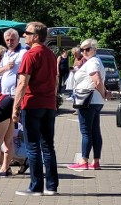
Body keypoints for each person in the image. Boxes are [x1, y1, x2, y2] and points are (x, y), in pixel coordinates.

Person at [12, 22, 60, 193]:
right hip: (49, 104)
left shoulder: (30, 54)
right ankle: (52, 186)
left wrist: (15, 108)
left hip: (32, 104)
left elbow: (22, 83)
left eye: (27, 32)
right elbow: (55, 80)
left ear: (36, 36)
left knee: (33, 146)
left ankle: (36, 186)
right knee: (48, 146)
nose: (24, 35)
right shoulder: (50, 54)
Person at [68, 39, 110, 170]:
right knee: (95, 131)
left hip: (87, 100)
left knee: (86, 131)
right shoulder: (95, 61)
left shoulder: (92, 62)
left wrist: (104, 94)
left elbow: (97, 81)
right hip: (95, 101)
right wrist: (103, 94)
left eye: (87, 49)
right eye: (82, 49)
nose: (84, 52)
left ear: (94, 49)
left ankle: (84, 161)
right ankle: (95, 161)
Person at [0, 28, 24, 98]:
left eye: (12, 40)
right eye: (7, 40)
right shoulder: (6, 53)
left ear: (18, 40)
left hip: (16, 93)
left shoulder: (24, 52)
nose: (9, 42)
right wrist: (6, 67)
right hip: (4, 92)